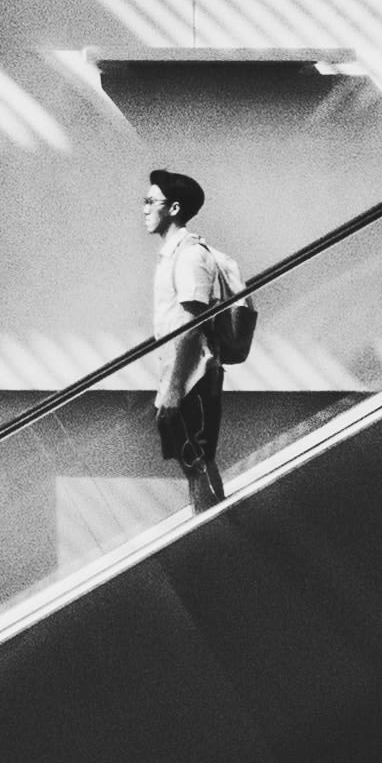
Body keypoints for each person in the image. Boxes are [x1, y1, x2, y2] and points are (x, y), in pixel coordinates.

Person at [141, 165, 239, 514]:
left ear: (175, 208)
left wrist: (173, 387)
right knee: (194, 463)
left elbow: (191, 324)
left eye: (151, 201)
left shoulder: (190, 256)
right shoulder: (174, 255)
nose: (145, 208)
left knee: (197, 463)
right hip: (184, 376)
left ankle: (215, 533)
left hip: (192, 379)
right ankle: (215, 528)